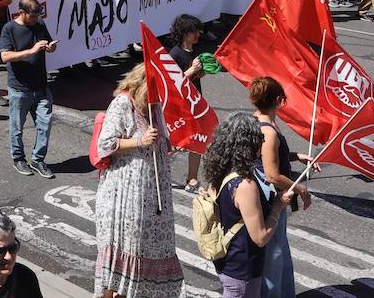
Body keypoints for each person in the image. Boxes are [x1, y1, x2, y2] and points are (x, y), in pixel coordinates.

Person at [93, 63, 183, 298]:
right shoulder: (123, 103)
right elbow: (105, 145)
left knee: (139, 266)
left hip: (151, 197)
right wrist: (139, 141)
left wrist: (170, 146)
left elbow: (159, 141)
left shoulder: (154, 107)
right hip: (126, 196)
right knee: (121, 267)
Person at [202, 113, 294, 298]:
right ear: (249, 144)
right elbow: (260, 237)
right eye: (259, 139)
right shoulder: (246, 185)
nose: (262, 144)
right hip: (243, 269)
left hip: (228, 263)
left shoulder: (221, 171)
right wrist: (278, 206)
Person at [250, 77, 308, 298]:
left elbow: (267, 156)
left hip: (261, 195)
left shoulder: (257, 120)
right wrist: (300, 188)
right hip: (270, 197)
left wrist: (295, 156)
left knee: (277, 251)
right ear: (278, 100)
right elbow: (273, 175)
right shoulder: (269, 131)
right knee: (274, 255)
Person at [1, 0, 56, 179]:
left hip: (40, 86)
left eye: (38, 15)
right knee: (17, 127)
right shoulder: (9, 28)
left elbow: (47, 43)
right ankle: (18, 159)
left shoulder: (39, 24)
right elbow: (6, 56)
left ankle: (38, 159)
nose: (36, 19)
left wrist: (50, 48)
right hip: (19, 88)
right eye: (33, 15)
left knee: (45, 125)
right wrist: (31, 51)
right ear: (22, 12)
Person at [170, 14, 208, 191]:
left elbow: (191, 78)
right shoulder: (175, 54)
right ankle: (154, 170)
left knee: (197, 141)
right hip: (181, 105)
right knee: (179, 142)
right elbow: (172, 81)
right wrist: (192, 70)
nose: (198, 34)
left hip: (195, 103)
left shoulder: (193, 54)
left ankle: (191, 178)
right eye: (195, 31)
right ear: (185, 33)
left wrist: (198, 74)